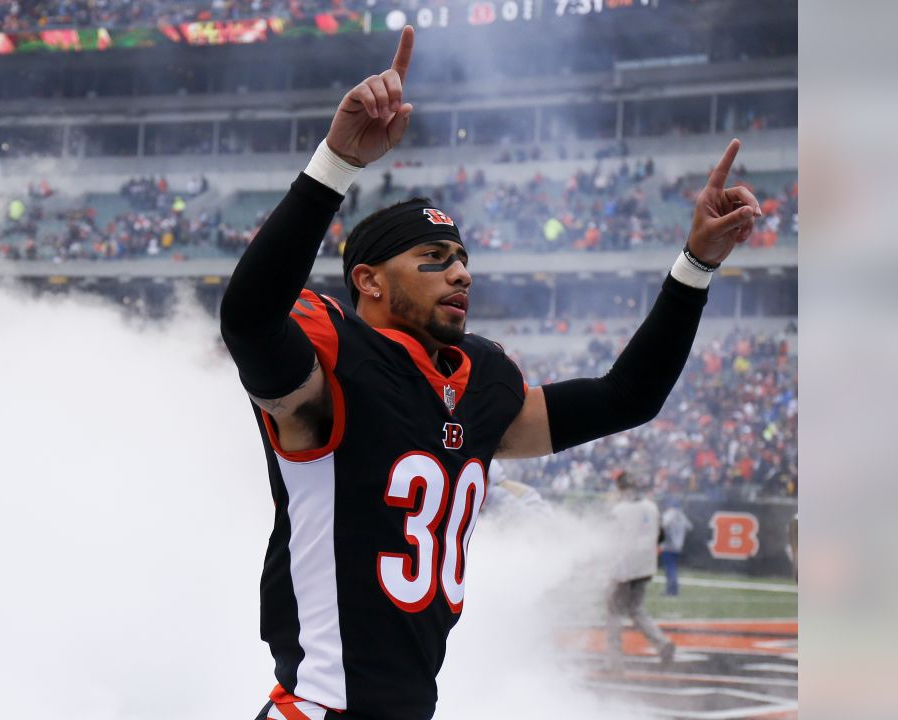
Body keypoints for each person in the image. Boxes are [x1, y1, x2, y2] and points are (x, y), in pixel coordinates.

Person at [218, 26, 758, 720]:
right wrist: (336, 164)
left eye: (463, 257)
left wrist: (695, 267)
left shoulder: (478, 382)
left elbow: (628, 397)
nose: (461, 271)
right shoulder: (332, 370)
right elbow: (250, 319)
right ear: (369, 281)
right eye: (435, 257)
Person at [606, 472, 676, 673]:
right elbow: (660, 536)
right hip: (646, 566)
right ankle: (662, 644)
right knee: (636, 609)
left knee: (614, 613)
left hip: (623, 568)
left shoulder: (619, 510)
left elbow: (611, 539)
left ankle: (615, 661)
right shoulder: (651, 507)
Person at [660, 498, 693, 596]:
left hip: (668, 545)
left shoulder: (669, 514)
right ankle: (673, 590)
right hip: (678, 546)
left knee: (669, 569)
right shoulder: (682, 515)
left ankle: (670, 590)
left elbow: (663, 525)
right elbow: (690, 527)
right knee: (673, 567)